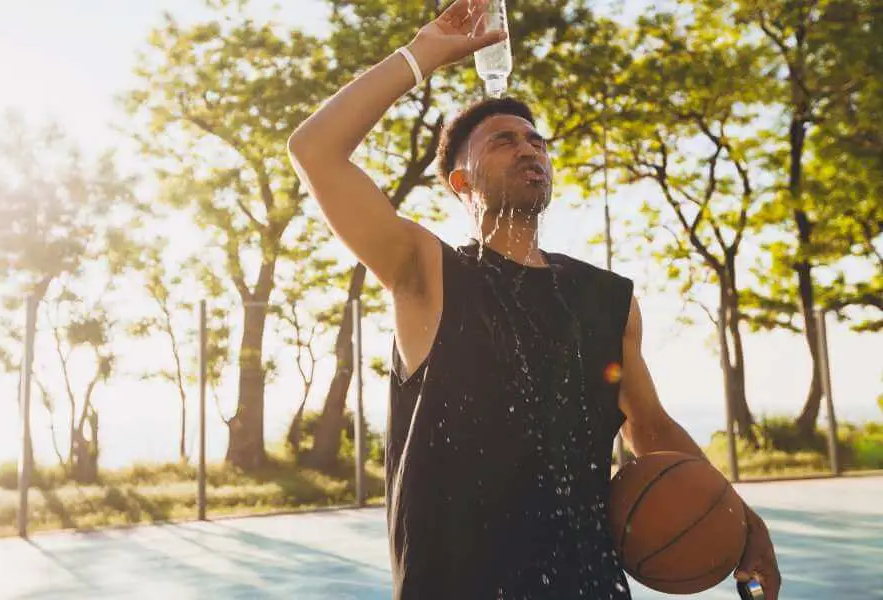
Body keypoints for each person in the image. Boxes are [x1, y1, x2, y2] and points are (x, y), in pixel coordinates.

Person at [287, 1, 780, 598]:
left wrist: (742, 520)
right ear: (461, 182)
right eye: (502, 141)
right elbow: (314, 150)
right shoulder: (427, 272)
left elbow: (648, 427)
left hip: (588, 585)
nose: (528, 149)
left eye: (535, 141)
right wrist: (424, 53)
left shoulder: (605, 298)